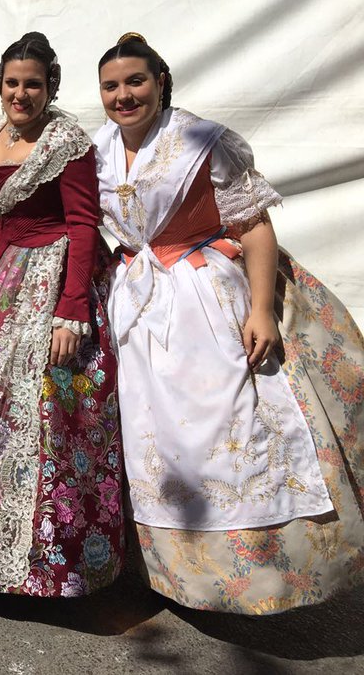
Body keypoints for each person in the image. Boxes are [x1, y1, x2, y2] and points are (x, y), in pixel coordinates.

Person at [94, 31, 364, 614]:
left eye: (136, 81)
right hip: (138, 303)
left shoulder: (202, 140)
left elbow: (255, 226)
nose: (124, 95)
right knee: (152, 437)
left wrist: (262, 308)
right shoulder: (98, 149)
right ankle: (170, 573)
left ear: (160, 81)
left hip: (206, 294)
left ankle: (261, 572)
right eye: (112, 86)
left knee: (231, 426)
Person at [0, 31, 124, 597]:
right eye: (12, 83)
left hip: (49, 278)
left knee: (44, 416)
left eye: (32, 84)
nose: (21, 93)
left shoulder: (69, 143)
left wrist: (72, 308)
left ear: (50, 87)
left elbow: (85, 223)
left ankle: (50, 566)